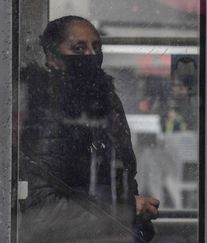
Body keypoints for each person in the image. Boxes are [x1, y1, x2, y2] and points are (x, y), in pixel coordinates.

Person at [19, 15, 159, 243]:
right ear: (53, 58)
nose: (91, 56)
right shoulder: (50, 109)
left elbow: (121, 176)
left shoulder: (104, 100)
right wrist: (124, 210)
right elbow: (42, 208)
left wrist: (136, 212)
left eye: (96, 47)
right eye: (78, 48)